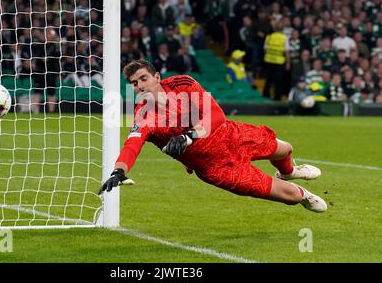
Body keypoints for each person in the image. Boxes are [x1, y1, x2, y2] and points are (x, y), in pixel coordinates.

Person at [98, 59, 327, 213]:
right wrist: (119, 171)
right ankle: (304, 194)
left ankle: (290, 172)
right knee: (292, 197)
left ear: (156, 77)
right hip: (216, 168)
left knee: (286, 149)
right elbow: (132, 145)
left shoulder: (183, 84)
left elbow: (216, 115)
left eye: (143, 79)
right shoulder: (143, 116)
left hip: (231, 136)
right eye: (134, 84)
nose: (139, 86)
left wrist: (189, 136)